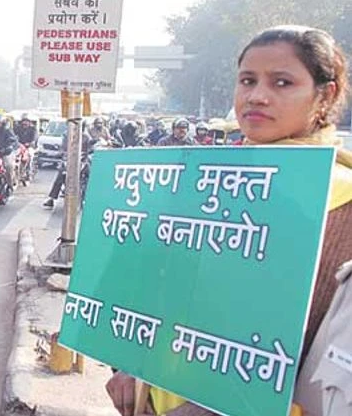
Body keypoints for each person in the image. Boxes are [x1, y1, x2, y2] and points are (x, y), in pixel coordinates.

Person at [105, 25, 352, 416]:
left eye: (282, 82)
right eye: (247, 80)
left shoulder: (342, 201)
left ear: (327, 93)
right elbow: (152, 293)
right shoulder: (202, 180)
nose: (257, 96)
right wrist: (128, 365)